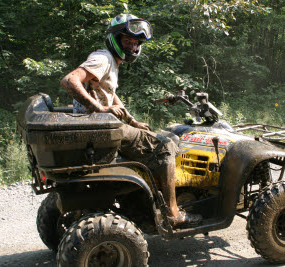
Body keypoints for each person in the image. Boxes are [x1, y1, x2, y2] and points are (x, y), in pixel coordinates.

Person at [60, 14, 201, 227]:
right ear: (115, 39)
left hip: (100, 126)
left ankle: (143, 199)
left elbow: (110, 93)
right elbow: (70, 80)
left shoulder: (111, 62)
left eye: (136, 43)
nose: (132, 46)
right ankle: (173, 213)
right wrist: (99, 109)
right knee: (165, 145)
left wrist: (133, 122)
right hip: (100, 127)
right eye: (127, 41)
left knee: (152, 138)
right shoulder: (103, 58)